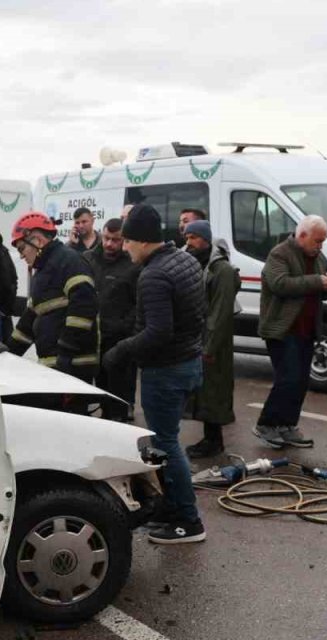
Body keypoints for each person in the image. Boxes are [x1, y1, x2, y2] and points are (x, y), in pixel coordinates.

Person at [101, 205, 206, 544]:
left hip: (167, 370)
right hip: (188, 362)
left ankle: (188, 521)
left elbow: (158, 331)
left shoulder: (154, 275)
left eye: (127, 241)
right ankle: (170, 506)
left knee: (165, 444)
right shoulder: (185, 260)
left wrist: (121, 351)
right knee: (166, 440)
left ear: (143, 241)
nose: (124, 247)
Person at [254, 216, 327, 449]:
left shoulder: (317, 256)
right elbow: (280, 284)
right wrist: (318, 282)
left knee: (300, 381)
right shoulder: (279, 254)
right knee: (288, 378)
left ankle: (287, 425)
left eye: (323, 241)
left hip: (307, 329)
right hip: (282, 329)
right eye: (317, 241)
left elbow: (320, 286)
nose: (320, 246)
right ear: (302, 235)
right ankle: (266, 424)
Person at [6, 212, 99, 383]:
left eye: (22, 248)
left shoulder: (69, 261)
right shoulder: (43, 272)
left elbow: (83, 308)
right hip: (56, 365)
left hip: (74, 365)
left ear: (37, 241)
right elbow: (29, 320)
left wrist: (66, 352)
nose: (22, 255)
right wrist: (7, 353)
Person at [183, 220, 241, 458]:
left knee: (214, 391)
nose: (188, 242)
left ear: (206, 239)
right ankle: (210, 438)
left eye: (193, 237)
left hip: (215, 341)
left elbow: (220, 312)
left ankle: (214, 441)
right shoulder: (194, 262)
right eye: (187, 238)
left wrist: (209, 347)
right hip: (199, 336)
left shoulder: (222, 270)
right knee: (203, 390)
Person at [85, 218, 139, 421]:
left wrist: (124, 326)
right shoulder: (88, 259)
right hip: (93, 337)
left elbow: (139, 303)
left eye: (115, 240)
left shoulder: (133, 264)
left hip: (119, 340)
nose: (109, 244)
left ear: (124, 240)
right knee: (100, 387)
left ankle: (118, 419)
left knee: (118, 390)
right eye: (106, 238)